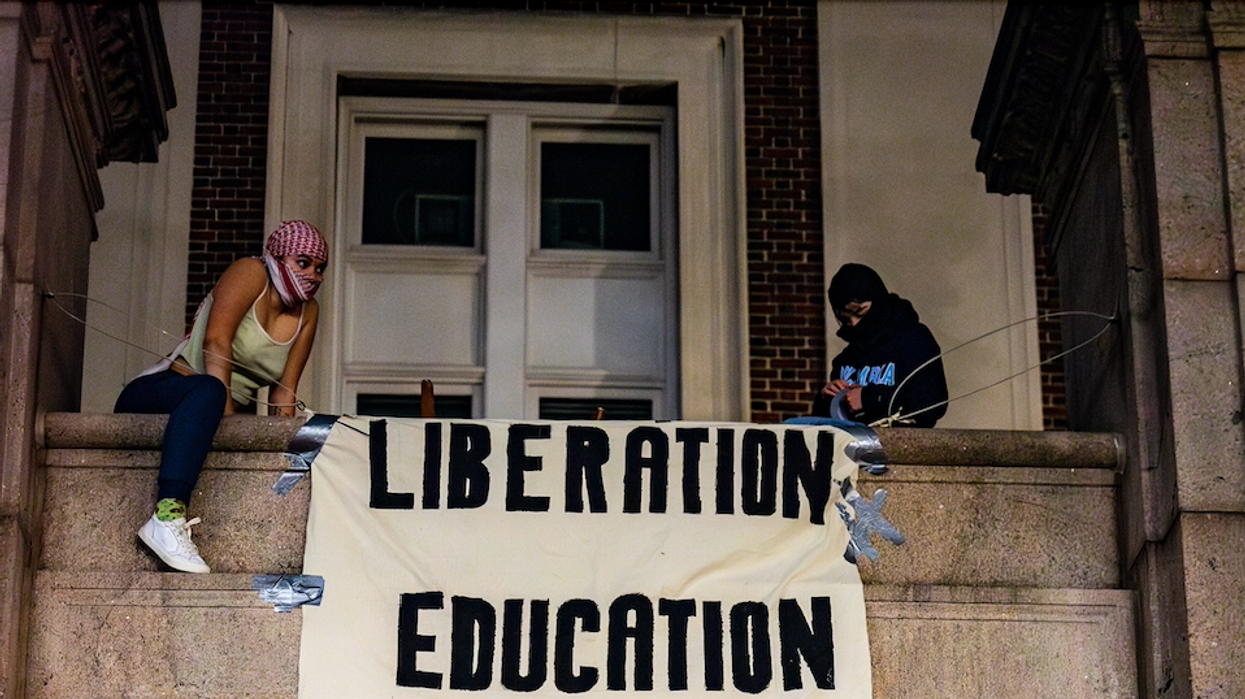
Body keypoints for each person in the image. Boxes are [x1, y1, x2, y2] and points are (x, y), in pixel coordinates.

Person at [114, 220, 327, 573]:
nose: (313, 276)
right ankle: (166, 518)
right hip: (165, 390)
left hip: (214, 408)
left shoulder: (309, 311)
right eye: (302, 263)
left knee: (215, 395)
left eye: (320, 268)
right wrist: (226, 418)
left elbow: (285, 393)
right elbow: (216, 341)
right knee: (210, 389)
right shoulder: (252, 272)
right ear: (277, 258)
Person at [810, 263, 948, 427]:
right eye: (845, 319)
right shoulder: (848, 356)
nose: (853, 324)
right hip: (854, 441)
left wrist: (869, 399)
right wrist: (827, 399)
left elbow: (933, 403)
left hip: (903, 441)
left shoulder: (913, 340)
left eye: (860, 313)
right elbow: (830, 422)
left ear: (878, 303)